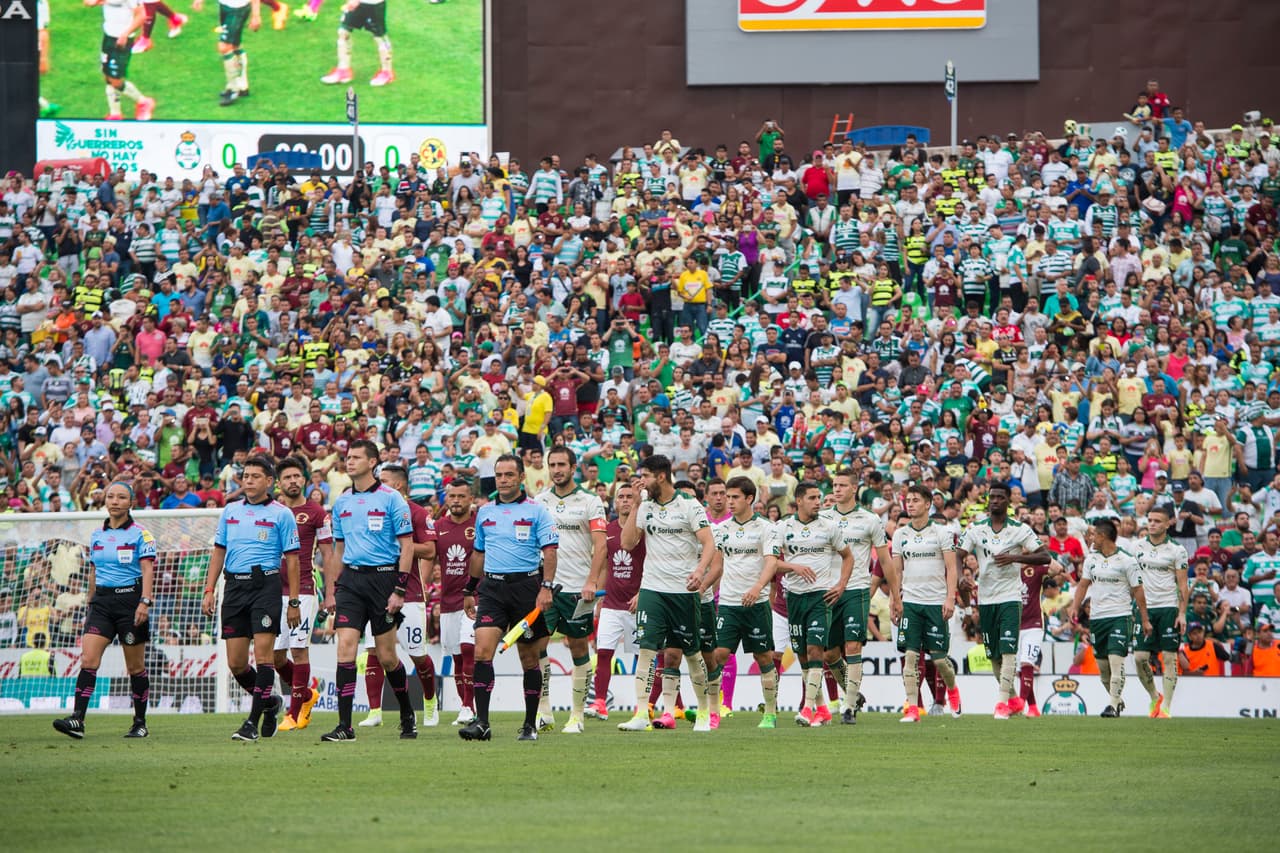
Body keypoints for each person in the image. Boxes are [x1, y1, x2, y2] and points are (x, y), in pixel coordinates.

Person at [318, 440, 416, 742]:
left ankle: (407, 713)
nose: (349, 461)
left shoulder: (392, 499)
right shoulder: (342, 502)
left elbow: (407, 546)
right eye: (348, 457)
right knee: (345, 647)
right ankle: (345, 726)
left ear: (372, 462)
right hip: (351, 582)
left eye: (356, 457)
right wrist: (332, 590)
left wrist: (399, 589)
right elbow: (338, 550)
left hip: (384, 580)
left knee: (387, 657)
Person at [200, 455, 301, 742]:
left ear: (269, 482)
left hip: (265, 586)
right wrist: (209, 589)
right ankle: (270, 703)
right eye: (246, 476)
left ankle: (251, 723)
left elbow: (293, 560)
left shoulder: (282, 514)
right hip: (234, 587)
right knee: (236, 663)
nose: (249, 480)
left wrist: (294, 602)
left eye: (256, 476)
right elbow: (219, 551)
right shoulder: (230, 511)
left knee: (264, 656)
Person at [459, 454, 559, 742]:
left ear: (521, 477)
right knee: (482, 651)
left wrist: (546, 587)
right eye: (499, 475)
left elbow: (550, 552)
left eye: (509, 475)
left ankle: (529, 725)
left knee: (528, 658)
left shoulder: (537, 511)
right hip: (492, 589)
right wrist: (469, 589)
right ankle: (482, 723)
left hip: (526, 588)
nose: (503, 480)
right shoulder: (485, 512)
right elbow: (478, 554)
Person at [616, 454, 717, 733]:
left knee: (692, 653)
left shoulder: (689, 505)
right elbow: (627, 543)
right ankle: (641, 713)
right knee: (647, 649)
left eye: (645, 476)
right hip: (652, 589)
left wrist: (699, 571)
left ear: (661, 476)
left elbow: (709, 543)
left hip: (683, 591)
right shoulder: (645, 505)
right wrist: (636, 505)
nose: (640, 481)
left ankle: (704, 712)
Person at [53, 482, 156, 739]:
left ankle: (140, 723)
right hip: (101, 604)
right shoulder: (96, 534)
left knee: (135, 667)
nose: (115, 501)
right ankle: (77, 720)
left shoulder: (141, 534)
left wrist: (145, 602)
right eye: (111, 497)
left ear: (131, 502)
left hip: (130, 603)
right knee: (88, 660)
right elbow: (94, 570)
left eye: (121, 497)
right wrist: (90, 602)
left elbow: (147, 570)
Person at [956, 481, 1051, 719]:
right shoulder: (976, 528)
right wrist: (959, 578)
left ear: (1008, 501)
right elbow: (958, 555)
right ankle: (1014, 699)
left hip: (1010, 596)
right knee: (994, 655)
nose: (995, 501)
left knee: (1009, 650)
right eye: (992, 497)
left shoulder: (1020, 529)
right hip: (986, 598)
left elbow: (1045, 556)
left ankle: (1001, 703)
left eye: (1000, 497)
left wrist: (1015, 558)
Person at [356, 464, 440, 728]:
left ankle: (430, 701)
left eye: (383, 480)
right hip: (375, 592)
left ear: (398, 485)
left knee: (417, 654)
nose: (377, 484)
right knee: (374, 651)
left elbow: (430, 550)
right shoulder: (371, 509)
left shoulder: (417, 513)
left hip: (410, 594)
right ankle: (374, 711)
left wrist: (402, 545)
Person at [532, 447, 606, 734]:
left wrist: (592, 581)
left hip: (578, 588)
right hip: (547, 587)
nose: (556, 470)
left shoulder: (590, 501)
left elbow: (601, 546)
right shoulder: (540, 501)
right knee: (537, 645)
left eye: (562, 464)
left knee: (578, 646)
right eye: (552, 465)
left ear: (574, 468)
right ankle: (544, 711)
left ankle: (577, 715)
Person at [775, 481, 853, 727]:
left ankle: (807, 708)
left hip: (820, 596)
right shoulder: (783, 527)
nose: (818, 502)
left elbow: (848, 556)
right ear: (799, 500)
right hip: (794, 598)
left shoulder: (829, 527)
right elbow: (770, 561)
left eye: (819, 497)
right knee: (803, 657)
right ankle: (822, 709)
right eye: (812, 498)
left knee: (815, 651)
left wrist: (841, 585)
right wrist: (793, 567)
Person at [821, 469, 892, 725]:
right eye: (834, 485)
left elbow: (885, 560)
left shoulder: (870, 519)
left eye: (842, 485)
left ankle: (848, 707)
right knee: (830, 654)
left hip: (857, 589)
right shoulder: (822, 518)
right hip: (828, 590)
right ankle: (854, 693)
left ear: (854, 488)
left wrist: (895, 596)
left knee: (853, 646)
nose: (837, 489)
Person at [887, 484, 962, 723]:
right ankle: (912, 708)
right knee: (910, 657)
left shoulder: (942, 532)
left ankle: (953, 691)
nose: (910, 504)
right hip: (911, 602)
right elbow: (896, 572)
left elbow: (951, 568)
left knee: (939, 659)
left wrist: (950, 598)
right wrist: (894, 600)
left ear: (928, 504)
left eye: (915, 500)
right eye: (908, 500)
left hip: (936, 603)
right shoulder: (900, 535)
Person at [711, 477, 782, 728]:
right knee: (717, 655)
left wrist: (757, 587)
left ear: (749, 498)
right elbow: (717, 566)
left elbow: (772, 562)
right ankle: (712, 712)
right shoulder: (721, 529)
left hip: (757, 603)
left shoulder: (766, 528)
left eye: (735, 497)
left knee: (764, 657)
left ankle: (770, 713)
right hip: (728, 603)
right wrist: (702, 590)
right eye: (727, 497)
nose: (729, 501)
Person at [273, 456, 333, 731]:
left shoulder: (317, 512)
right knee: (275, 657)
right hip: (274, 591)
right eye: (287, 477)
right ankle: (307, 695)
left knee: (298, 650)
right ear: (279, 483)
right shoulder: (273, 511)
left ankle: (293, 714)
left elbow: (328, 554)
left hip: (305, 591)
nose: (293, 481)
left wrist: (330, 593)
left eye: (297, 476)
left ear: (305, 480)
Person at [1069, 518, 1151, 717]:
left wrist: (1144, 619)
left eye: (1094, 535)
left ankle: (1112, 705)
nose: (1091, 538)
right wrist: (1075, 606)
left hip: (1120, 616)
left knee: (1116, 661)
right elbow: (1083, 585)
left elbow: (1138, 590)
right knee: (1104, 670)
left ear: (1103, 536)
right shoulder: (1091, 559)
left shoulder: (1127, 560)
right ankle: (1117, 700)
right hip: (1097, 618)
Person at [587, 480, 645, 721]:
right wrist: (599, 597)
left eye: (629, 496)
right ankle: (600, 702)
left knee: (644, 658)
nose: (625, 500)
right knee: (603, 654)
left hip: (637, 604)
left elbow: (653, 564)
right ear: (615, 502)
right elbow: (604, 566)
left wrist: (643, 593)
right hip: (611, 603)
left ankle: (644, 705)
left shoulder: (644, 529)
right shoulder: (608, 530)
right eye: (621, 497)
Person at [1131, 505, 1189, 718]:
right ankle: (1155, 696)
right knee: (1140, 657)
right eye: (1150, 520)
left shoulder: (1177, 550)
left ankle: (1166, 708)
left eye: (1157, 521)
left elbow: (1182, 585)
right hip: (1144, 608)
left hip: (1168, 607)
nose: (1152, 524)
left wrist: (1182, 613)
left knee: (1169, 657)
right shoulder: (1136, 547)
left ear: (1167, 524)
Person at [434, 478, 478, 725]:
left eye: (462, 496)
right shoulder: (438, 526)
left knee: (469, 650)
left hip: (475, 598)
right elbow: (429, 558)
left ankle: (468, 705)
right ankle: (466, 707)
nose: (457, 501)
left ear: (471, 499)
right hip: (448, 601)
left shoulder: (479, 523)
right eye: (452, 496)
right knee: (457, 657)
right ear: (446, 499)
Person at [87, 0, 156, 121]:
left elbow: (141, 15)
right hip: (108, 37)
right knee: (107, 76)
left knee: (115, 79)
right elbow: (88, 2)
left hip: (122, 40)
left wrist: (125, 34)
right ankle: (115, 114)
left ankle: (143, 102)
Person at [190, 0, 261, 106]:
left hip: (237, 9)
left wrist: (256, 15)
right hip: (225, 6)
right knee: (235, 44)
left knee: (224, 47)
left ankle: (233, 88)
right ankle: (242, 85)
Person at [321, 0, 394, 87]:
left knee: (379, 37)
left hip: (374, 4)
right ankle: (343, 70)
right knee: (343, 32)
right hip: (358, 3)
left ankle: (387, 72)